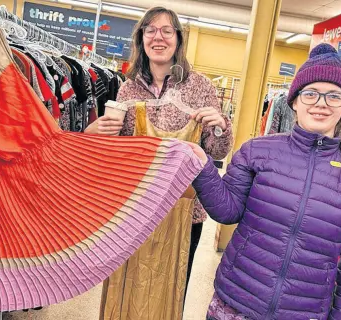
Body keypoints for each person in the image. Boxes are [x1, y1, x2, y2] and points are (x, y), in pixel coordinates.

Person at [187, 43, 341, 320]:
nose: (321, 103)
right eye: (311, 93)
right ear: (294, 101)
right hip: (235, 302)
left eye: (333, 96)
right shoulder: (257, 151)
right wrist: (202, 166)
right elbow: (227, 211)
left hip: (304, 313)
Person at [86, 6, 233, 320]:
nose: (159, 37)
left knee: (171, 289)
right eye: (150, 30)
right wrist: (97, 133)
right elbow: (116, 156)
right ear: (141, 38)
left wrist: (219, 125)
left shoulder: (200, 87)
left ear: (178, 39)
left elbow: (217, 152)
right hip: (133, 207)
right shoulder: (127, 89)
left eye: (167, 30)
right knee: (125, 283)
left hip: (184, 210)